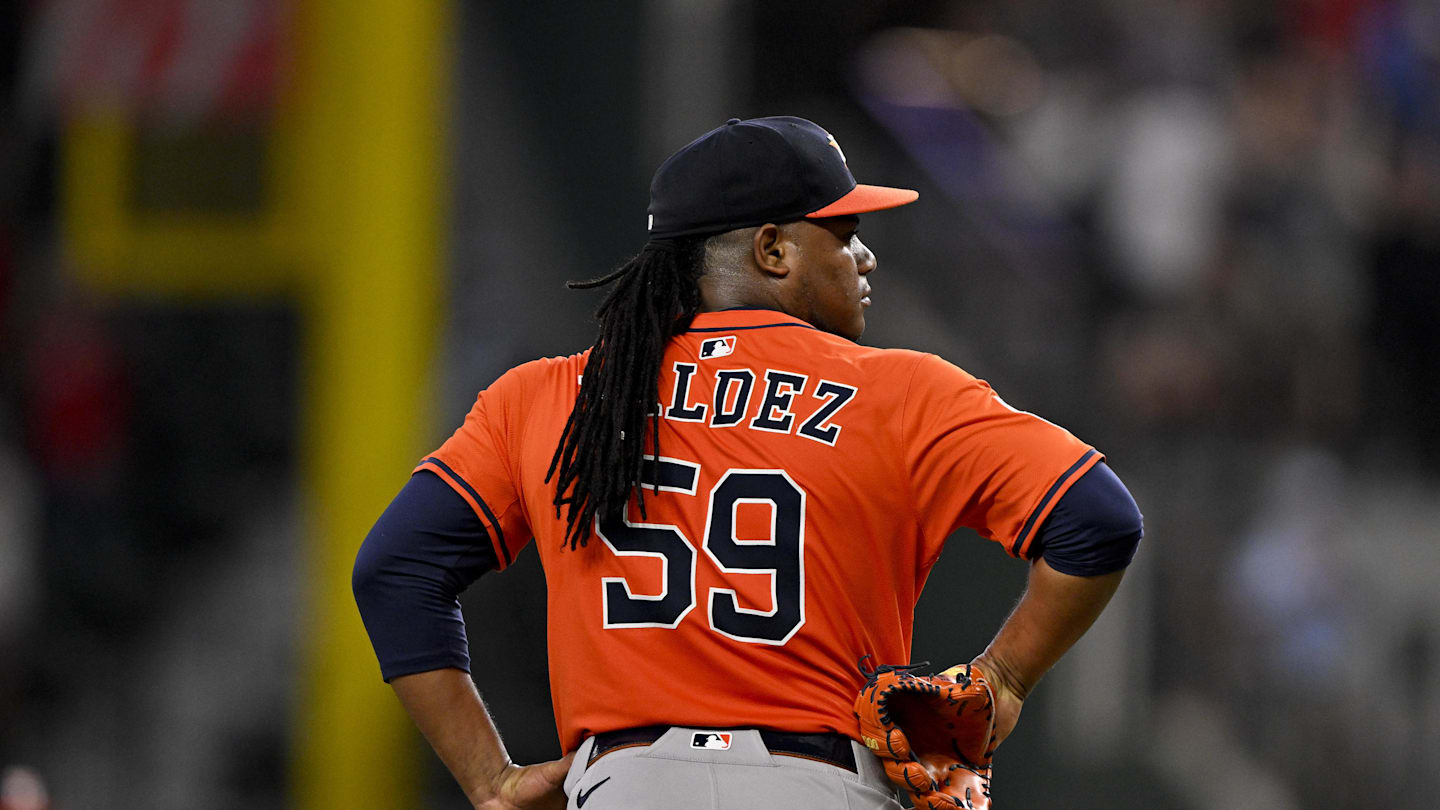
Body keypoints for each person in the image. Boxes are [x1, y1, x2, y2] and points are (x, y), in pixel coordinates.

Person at [353, 116, 1143, 810]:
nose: (865, 257)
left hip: (626, 787)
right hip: (819, 782)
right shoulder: (903, 392)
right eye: (842, 232)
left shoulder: (551, 397)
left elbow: (395, 571)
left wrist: (489, 779)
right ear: (771, 249)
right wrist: (1000, 679)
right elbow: (1098, 521)